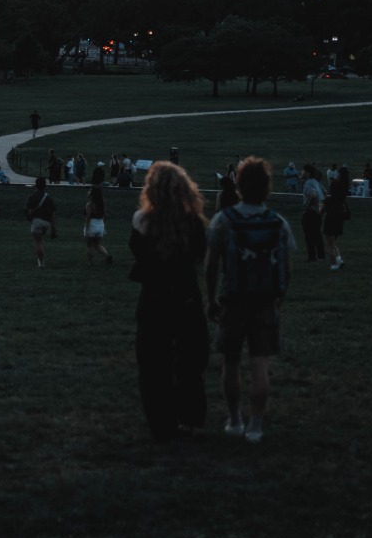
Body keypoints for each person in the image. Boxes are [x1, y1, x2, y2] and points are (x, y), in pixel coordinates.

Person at [205, 157, 294, 444]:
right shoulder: (277, 222)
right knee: (259, 363)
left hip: (233, 297)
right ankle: (256, 425)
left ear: (239, 185)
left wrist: (210, 297)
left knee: (230, 362)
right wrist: (280, 296)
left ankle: (234, 419)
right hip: (265, 299)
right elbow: (286, 265)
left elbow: (211, 263)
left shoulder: (224, 220)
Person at [128, 161, 210, 441]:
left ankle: (161, 423)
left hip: (153, 298)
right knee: (189, 362)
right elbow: (201, 256)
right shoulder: (195, 223)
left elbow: (137, 253)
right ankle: (189, 417)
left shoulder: (141, 220)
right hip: (186, 296)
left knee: (153, 365)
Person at [323, 166, 351, 270]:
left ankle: (334, 263)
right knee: (333, 242)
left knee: (328, 245)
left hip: (329, 221)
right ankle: (339, 260)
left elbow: (322, 211)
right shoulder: (342, 199)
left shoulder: (328, 200)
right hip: (339, 221)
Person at [25, 177, 56, 266]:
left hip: (36, 221)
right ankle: (41, 258)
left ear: (36, 185)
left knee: (38, 241)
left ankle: (41, 263)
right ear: (45, 186)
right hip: (46, 222)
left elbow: (28, 210)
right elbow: (53, 214)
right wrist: (53, 228)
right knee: (41, 240)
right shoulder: (49, 198)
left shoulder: (32, 197)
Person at [300, 165, 325, 263]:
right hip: (317, 213)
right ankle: (321, 256)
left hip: (310, 213)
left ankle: (312, 257)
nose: (302, 173)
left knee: (309, 236)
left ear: (308, 173)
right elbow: (325, 193)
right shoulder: (316, 182)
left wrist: (307, 206)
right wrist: (320, 209)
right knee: (318, 235)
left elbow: (313, 195)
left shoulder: (308, 184)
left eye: (304, 171)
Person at [84, 181, 112, 264]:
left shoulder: (89, 205)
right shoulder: (102, 204)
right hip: (100, 225)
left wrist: (86, 227)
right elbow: (105, 216)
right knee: (97, 245)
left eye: (89, 191)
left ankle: (90, 262)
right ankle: (107, 256)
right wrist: (103, 226)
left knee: (89, 246)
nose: (88, 192)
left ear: (92, 194)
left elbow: (88, 217)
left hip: (91, 225)